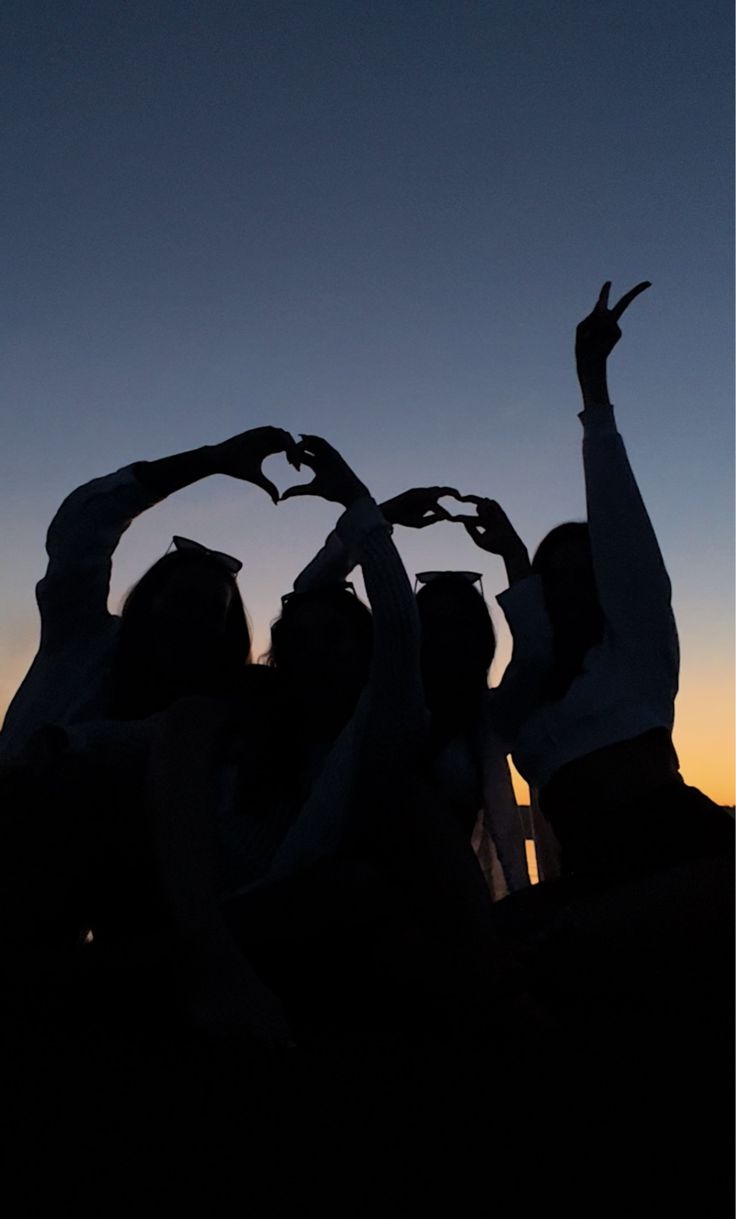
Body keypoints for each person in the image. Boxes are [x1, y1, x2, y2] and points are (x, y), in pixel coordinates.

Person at [480, 281, 733, 876]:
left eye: (582, 575)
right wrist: (516, 559)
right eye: (555, 578)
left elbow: (624, 536)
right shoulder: (522, 696)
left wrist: (594, 392)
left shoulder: (638, 655)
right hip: (592, 886)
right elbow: (536, 638)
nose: (570, 588)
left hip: (694, 867)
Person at [0, 426, 296, 763]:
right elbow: (84, 526)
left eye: (212, 608)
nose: (191, 618)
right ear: (150, 596)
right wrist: (209, 460)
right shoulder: (83, 640)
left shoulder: (219, 715)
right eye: (183, 597)